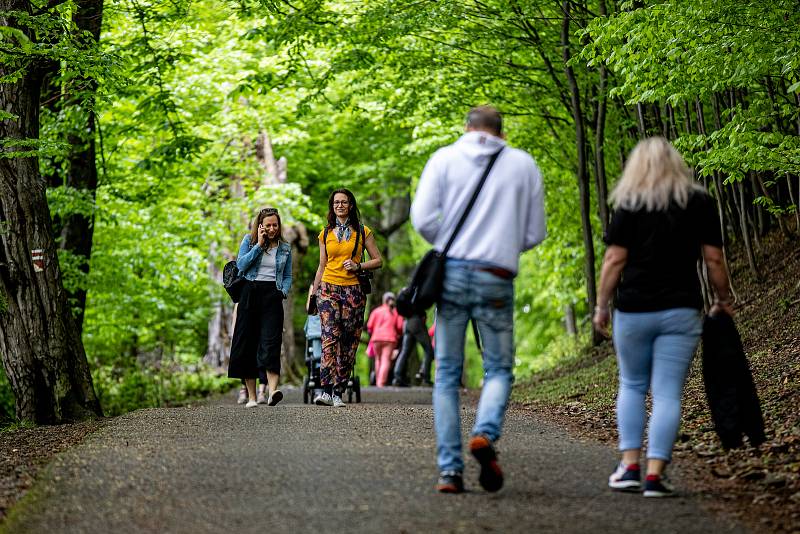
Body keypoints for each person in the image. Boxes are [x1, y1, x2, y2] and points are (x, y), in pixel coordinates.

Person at [410, 105, 546, 493]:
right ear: (501, 133)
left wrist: (450, 243)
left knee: (447, 375)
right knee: (499, 368)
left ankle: (450, 471)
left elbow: (421, 218)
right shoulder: (523, 164)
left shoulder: (444, 159)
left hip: (451, 274)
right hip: (497, 276)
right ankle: (485, 432)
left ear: (467, 127)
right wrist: (501, 246)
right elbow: (535, 231)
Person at [593, 137, 733, 498]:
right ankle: (655, 475)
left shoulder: (629, 203)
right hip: (681, 309)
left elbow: (613, 260)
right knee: (668, 392)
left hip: (634, 310)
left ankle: (629, 467)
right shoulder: (698, 202)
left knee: (632, 385)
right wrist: (724, 298)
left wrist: (601, 306)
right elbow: (714, 259)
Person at [312, 188, 382, 407]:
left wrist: (358, 265)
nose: (340, 205)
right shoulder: (325, 233)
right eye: (336, 203)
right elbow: (322, 265)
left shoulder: (362, 232)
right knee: (329, 338)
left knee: (349, 342)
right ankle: (324, 390)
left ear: (351, 205)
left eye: (344, 202)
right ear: (332, 207)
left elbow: (378, 260)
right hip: (328, 290)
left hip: (353, 292)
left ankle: (338, 391)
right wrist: (314, 292)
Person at [228, 207, 292, 408]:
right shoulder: (249, 240)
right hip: (250, 293)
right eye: (268, 225)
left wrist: (283, 291)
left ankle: (273, 391)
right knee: (249, 343)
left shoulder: (284, 248)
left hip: (272, 295)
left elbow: (288, 275)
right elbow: (241, 265)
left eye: (275, 225)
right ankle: (252, 397)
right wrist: (259, 245)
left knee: (271, 342)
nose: (272, 228)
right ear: (261, 226)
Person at [366, 292, 404, 387]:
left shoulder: (376, 311)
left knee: (378, 359)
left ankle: (378, 381)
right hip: (390, 339)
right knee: (385, 360)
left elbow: (369, 326)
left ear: (384, 300)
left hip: (376, 339)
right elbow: (400, 327)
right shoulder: (395, 312)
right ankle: (381, 383)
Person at [392, 309, 434, 387]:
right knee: (429, 350)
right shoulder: (417, 297)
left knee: (405, 351)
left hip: (407, 322)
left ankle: (397, 378)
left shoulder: (407, 298)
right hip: (416, 321)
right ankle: (425, 377)